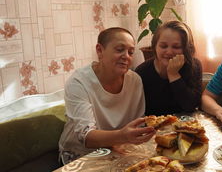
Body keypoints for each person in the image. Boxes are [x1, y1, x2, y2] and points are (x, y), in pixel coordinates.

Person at [59, 27, 156, 164]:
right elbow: (86, 136)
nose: (126, 56)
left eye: (131, 52)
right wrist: (122, 136)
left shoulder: (135, 80)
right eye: (119, 49)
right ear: (100, 50)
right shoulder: (79, 82)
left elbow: (137, 124)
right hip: (81, 155)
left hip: (119, 149)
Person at [135, 21, 202, 116]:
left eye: (176, 47)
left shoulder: (194, 66)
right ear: (155, 46)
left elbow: (190, 106)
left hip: (186, 125)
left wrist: (173, 74)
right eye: (163, 46)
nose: (169, 52)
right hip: (154, 127)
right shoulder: (142, 71)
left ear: (187, 49)